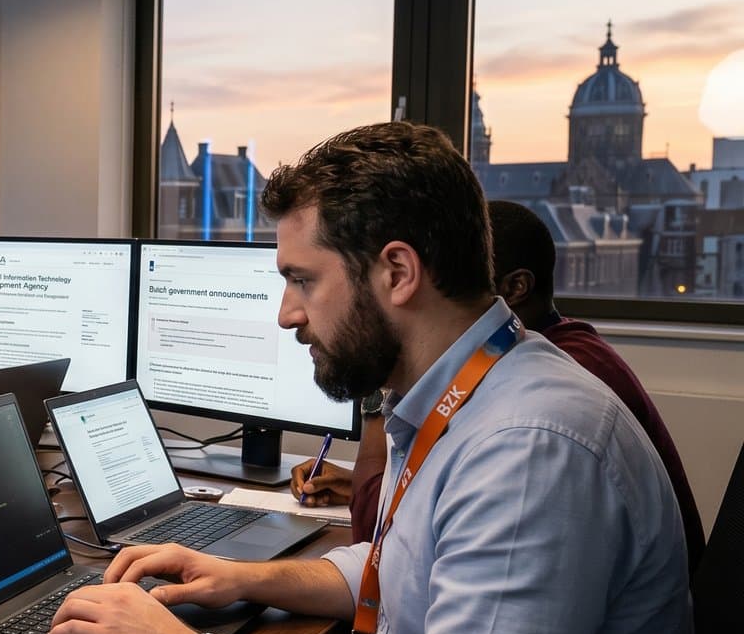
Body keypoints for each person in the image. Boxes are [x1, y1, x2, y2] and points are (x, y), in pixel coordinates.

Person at [48, 123, 699, 634]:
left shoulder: (529, 446)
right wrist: (243, 577)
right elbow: (408, 562)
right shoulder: (478, 389)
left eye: (303, 279)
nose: (287, 314)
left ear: (396, 271)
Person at [293, 199, 704, 566]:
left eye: (469, 281)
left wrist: (377, 374)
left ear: (515, 288)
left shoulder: (535, 415)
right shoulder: (532, 358)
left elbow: (375, 534)